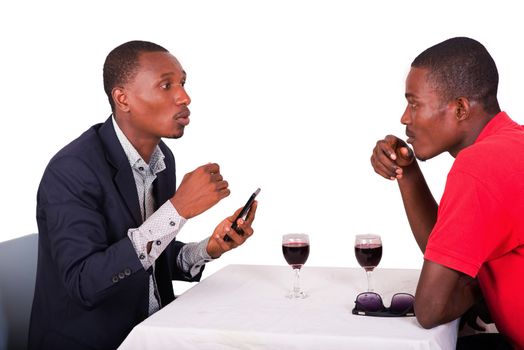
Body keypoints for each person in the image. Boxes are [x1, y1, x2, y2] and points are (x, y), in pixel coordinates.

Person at [28, 40, 258, 350]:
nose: (184, 96)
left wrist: (207, 249)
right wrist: (176, 211)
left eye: (183, 83)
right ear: (123, 99)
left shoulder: (162, 159)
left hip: (157, 331)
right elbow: (84, 283)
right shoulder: (71, 171)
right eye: (166, 85)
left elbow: (148, 259)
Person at [370, 37, 523, 349]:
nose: (404, 118)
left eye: (414, 104)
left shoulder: (478, 165)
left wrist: (476, 286)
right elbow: (448, 253)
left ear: (460, 108)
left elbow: (430, 309)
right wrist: (407, 172)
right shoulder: (512, 143)